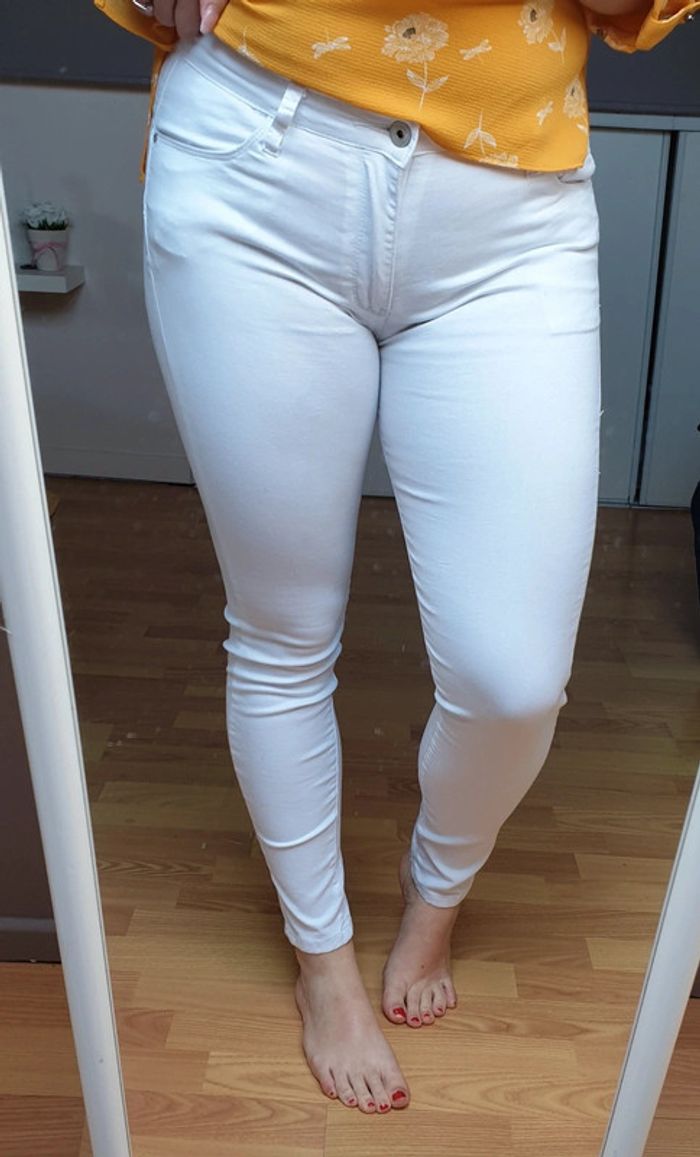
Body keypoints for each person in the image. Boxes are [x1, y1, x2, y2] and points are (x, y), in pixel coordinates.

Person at [95, 0, 698, 1116]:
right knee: (281, 625)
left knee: (514, 679)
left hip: (511, 199)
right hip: (255, 157)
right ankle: (321, 960)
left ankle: (437, 892)